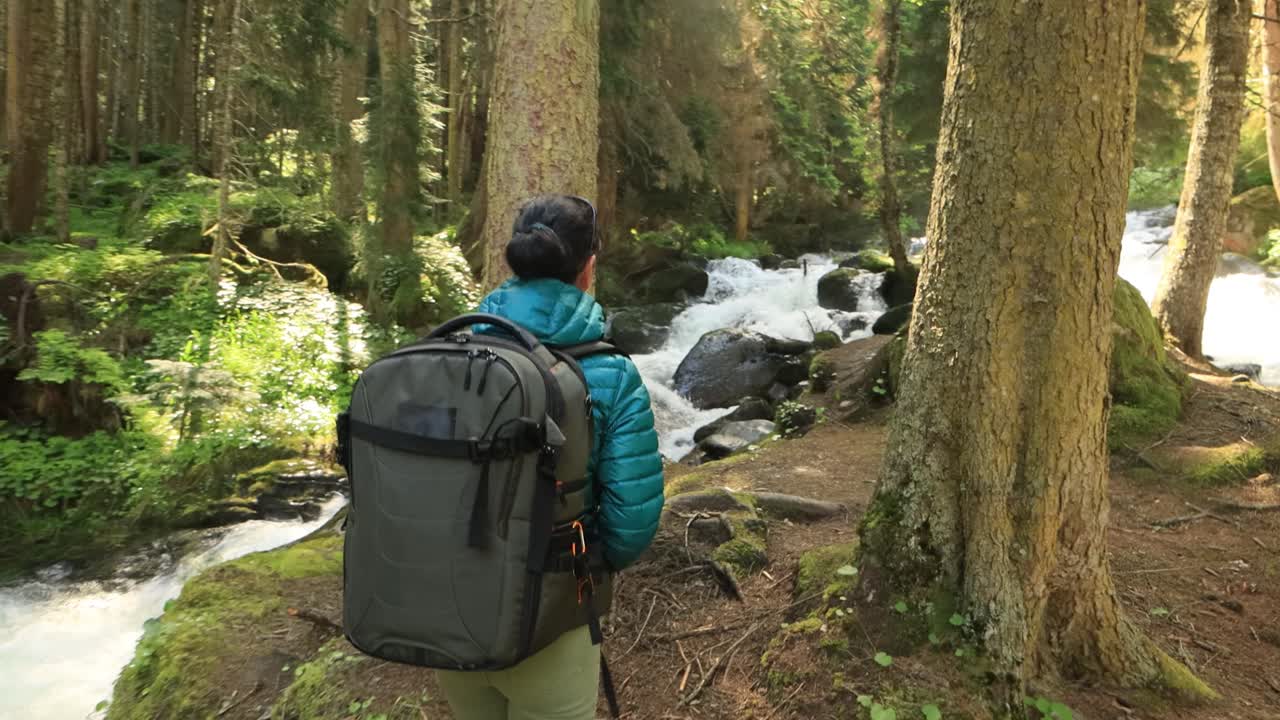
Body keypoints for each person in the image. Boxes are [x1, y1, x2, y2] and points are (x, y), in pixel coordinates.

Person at [434, 194, 665, 720]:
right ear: (588, 267)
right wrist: (585, 564)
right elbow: (633, 522)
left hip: (446, 600)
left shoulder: (454, 349)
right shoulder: (610, 374)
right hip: (551, 610)